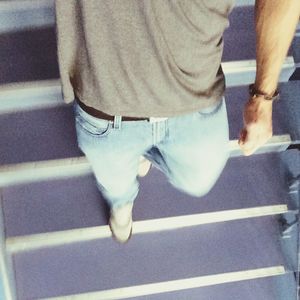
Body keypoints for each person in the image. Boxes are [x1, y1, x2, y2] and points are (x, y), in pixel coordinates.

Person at [55, 0, 300, 243]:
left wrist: (263, 95)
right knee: (116, 187)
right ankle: (122, 204)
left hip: (195, 96)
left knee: (198, 180)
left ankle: (142, 155)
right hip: (107, 101)